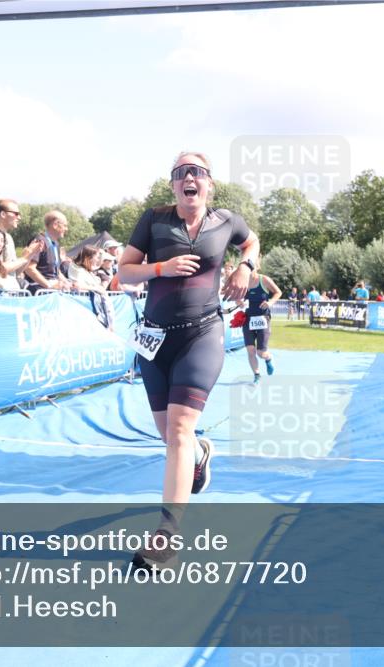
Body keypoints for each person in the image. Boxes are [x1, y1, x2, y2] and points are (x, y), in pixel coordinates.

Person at [117, 151, 259, 570]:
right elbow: (125, 272)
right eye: (180, 174)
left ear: (209, 184)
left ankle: (166, 535)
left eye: (196, 172)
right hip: (155, 340)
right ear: (173, 186)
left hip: (202, 334)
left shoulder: (226, 221)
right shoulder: (153, 220)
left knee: (179, 429)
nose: (188, 178)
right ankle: (199, 456)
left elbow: (251, 241)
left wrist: (246, 267)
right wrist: (161, 267)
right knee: (171, 436)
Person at [239, 263, 283, 383]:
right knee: (250, 350)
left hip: (263, 318)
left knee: (261, 352)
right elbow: (237, 297)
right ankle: (257, 374)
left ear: (256, 269)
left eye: (251, 269)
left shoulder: (264, 280)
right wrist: (240, 302)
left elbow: (278, 292)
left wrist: (270, 303)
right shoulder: (242, 282)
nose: (248, 272)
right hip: (248, 318)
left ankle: (268, 359)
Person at [0, 199, 43, 280]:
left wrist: (30, 255)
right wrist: (24, 258)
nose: (19, 217)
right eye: (16, 214)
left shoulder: (9, 237)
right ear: (3, 214)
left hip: (8, 291)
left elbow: (15, 272)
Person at [25, 210, 74, 294]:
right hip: (39, 292)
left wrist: (68, 283)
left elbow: (56, 271)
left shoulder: (56, 244)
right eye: (64, 226)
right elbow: (29, 268)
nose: (66, 229)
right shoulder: (39, 241)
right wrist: (49, 285)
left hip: (51, 290)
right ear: (55, 225)